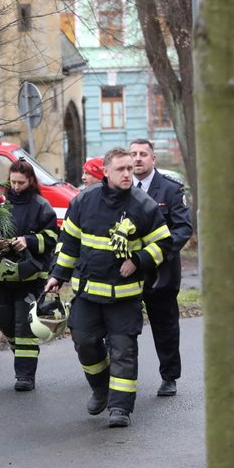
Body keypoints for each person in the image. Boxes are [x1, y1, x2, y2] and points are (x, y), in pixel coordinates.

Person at [45, 147, 171, 427]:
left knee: (123, 351)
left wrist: (138, 260)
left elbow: (164, 243)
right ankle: (101, 387)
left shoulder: (143, 205)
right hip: (88, 293)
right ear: (106, 172)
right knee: (85, 344)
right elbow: (69, 242)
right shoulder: (84, 201)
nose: (128, 173)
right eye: (121, 169)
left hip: (124, 298)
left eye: (130, 169)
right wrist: (58, 275)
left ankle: (120, 408)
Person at [0, 159, 58, 391]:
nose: (16, 187)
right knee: (6, 322)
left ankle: (25, 375)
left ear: (31, 181)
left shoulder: (41, 206)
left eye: (21, 183)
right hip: (3, 276)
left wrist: (29, 241)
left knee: (24, 327)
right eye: (13, 182)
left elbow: (53, 239)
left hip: (30, 275)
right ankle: (22, 356)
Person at [129, 139, 193, 398]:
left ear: (153, 159)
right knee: (123, 327)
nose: (137, 159)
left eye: (143, 154)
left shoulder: (170, 190)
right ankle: (122, 377)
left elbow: (183, 229)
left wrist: (156, 253)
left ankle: (169, 377)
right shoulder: (119, 190)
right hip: (127, 271)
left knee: (164, 326)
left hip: (161, 272)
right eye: (133, 154)